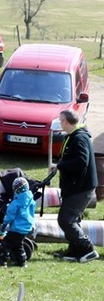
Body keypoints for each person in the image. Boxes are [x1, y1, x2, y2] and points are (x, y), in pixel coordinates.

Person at [51, 109, 99, 263]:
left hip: (81, 188)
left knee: (66, 220)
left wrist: (60, 166)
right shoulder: (72, 137)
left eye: (60, 120)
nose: (59, 123)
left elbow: (81, 162)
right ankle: (74, 251)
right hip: (74, 187)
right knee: (72, 219)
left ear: (66, 122)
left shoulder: (79, 138)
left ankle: (88, 249)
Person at [0, 176, 35, 268]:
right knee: (18, 245)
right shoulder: (30, 199)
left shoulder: (16, 203)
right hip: (26, 227)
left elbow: (10, 216)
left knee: (5, 244)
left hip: (17, 228)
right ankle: (22, 262)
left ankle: (2, 261)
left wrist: (4, 225)